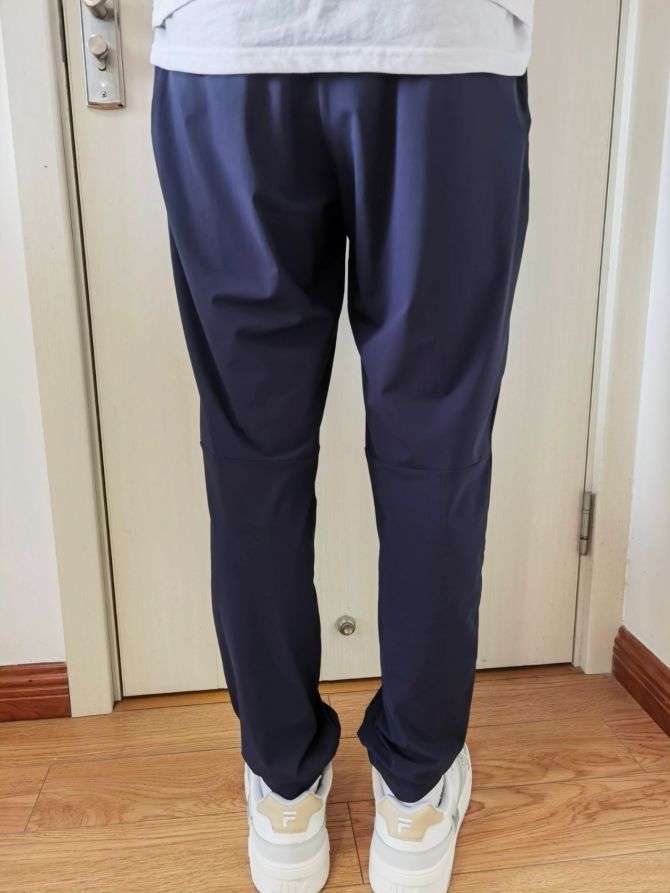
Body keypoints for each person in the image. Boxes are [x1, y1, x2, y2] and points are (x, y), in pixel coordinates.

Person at [149, 2, 533, 891]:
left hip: (230, 54)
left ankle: (285, 792)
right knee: (435, 449)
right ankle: (415, 796)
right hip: (443, 52)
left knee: (252, 455)